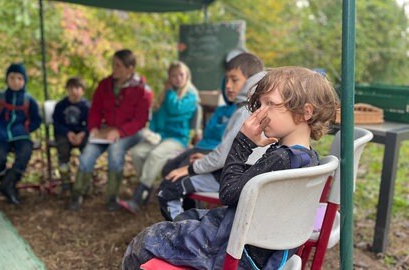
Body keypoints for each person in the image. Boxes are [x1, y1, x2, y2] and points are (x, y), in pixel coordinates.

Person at [121, 66, 339, 270]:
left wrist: (242, 143)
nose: (260, 113)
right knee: (186, 218)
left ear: (305, 112)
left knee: (146, 240)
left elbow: (228, 194)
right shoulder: (308, 157)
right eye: (260, 104)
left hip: (235, 251)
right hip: (259, 250)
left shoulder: (282, 158)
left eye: (270, 104)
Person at [157, 52, 268, 221]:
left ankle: (183, 235)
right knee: (178, 179)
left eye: (234, 79)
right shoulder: (250, 108)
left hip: (232, 179)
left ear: (253, 80)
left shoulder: (246, 111)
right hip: (239, 173)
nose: (228, 85)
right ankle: (192, 226)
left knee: (168, 189)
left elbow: (222, 158)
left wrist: (188, 169)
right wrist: (206, 159)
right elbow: (228, 152)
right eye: (227, 80)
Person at [69, 49, 153, 211]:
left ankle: (112, 197)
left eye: (118, 66)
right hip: (104, 131)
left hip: (132, 133)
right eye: (113, 65)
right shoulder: (104, 85)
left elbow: (140, 120)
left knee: (115, 150)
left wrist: (119, 132)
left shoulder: (143, 89)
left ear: (130, 68)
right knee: (87, 154)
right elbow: (95, 110)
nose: (113, 69)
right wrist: (93, 128)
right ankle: (77, 194)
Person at [118, 61, 199, 214]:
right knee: (137, 152)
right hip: (161, 136)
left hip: (177, 139)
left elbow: (175, 109)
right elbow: (157, 115)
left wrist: (169, 93)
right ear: (169, 78)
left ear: (187, 75)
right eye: (174, 75)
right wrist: (152, 132)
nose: (178, 78)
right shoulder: (165, 94)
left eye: (181, 75)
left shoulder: (190, 96)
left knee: (155, 155)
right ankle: (147, 188)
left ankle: (138, 198)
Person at [0, 63, 42, 205]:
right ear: (7, 79)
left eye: (20, 78)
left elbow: (37, 119)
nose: (16, 82)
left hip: (21, 135)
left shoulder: (29, 100)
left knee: (24, 154)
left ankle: (6, 185)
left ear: (24, 81)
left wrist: (27, 129)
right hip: (1, 135)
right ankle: (8, 186)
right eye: (12, 78)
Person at [52, 77, 90, 194]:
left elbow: (92, 124)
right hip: (64, 134)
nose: (74, 91)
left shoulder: (87, 106)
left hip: (82, 135)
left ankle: (86, 182)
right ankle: (65, 181)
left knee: (88, 151)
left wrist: (82, 133)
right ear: (67, 90)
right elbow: (56, 123)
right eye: (71, 88)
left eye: (77, 88)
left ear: (82, 90)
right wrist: (68, 133)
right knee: (63, 151)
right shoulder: (60, 106)